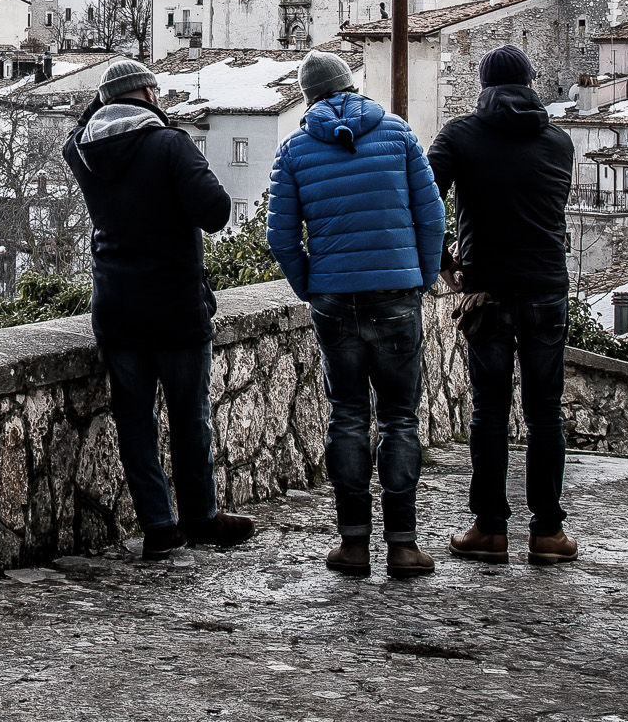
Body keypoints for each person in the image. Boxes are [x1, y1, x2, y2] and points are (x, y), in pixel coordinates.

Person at [63, 57, 258, 560]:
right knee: (189, 417)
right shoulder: (169, 144)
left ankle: (158, 526)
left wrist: (110, 96)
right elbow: (215, 212)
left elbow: (81, 127)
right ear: (149, 95)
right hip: (174, 304)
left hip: (117, 306)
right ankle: (201, 517)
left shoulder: (84, 153)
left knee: (135, 420)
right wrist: (165, 130)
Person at [266, 50, 445, 579]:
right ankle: (404, 546)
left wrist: (310, 285)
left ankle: (354, 545)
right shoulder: (399, 135)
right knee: (399, 417)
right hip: (396, 292)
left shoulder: (294, 150)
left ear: (308, 96)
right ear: (352, 86)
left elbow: (280, 236)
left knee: (347, 415)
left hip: (334, 300)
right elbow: (430, 215)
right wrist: (422, 276)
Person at [427, 45, 579, 566]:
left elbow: (424, 201)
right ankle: (548, 534)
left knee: (489, 411)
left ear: (484, 87)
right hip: (545, 287)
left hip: (484, 289)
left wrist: (445, 264)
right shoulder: (560, 143)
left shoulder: (460, 135)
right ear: (532, 84)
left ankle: (489, 530)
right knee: (545, 415)